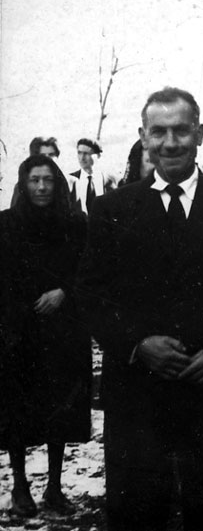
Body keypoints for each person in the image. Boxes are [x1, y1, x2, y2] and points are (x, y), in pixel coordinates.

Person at [76, 87, 203, 531]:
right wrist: (137, 344)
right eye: (158, 132)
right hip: (138, 395)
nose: (170, 142)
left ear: (198, 134)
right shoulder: (111, 210)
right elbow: (91, 294)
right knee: (137, 513)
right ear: (144, 138)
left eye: (181, 130)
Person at [0, 155, 91, 518]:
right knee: (16, 407)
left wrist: (63, 293)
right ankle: (20, 485)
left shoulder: (75, 223)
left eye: (48, 180)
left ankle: (54, 486)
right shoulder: (5, 225)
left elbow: (88, 269)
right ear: (23, 184)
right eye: (34, 180)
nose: (41, 187)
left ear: (58, 184)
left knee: (60, 407)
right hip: (17, 331)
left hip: (62, 328)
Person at [68, 138, 116, 215]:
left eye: (87, 153)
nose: (82, 158)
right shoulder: (71, 179)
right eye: (79, 153)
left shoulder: (109, 180)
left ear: (98, 155)